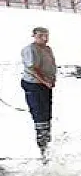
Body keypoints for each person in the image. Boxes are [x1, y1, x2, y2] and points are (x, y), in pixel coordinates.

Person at [20, 27, 56, 159]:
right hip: (34, 85)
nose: (44, 38)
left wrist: (52, 80)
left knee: (47, 114)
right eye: (41, 36)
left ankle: (47, 142)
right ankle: (43, 149)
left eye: (46, 35)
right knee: (39, 115)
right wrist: (45, 81)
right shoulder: (30, 49)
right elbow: (33, 69)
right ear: (34, 36)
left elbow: (51, 65)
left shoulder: (48, 49)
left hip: (46, 85)